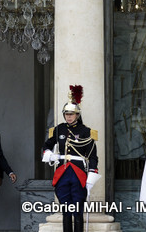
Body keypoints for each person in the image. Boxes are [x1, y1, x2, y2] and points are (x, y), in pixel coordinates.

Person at [41, 85, 99, 232]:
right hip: (62, 173)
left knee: (77, 210)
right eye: (66, 114)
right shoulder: (59, 129)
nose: (68, 116)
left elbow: (92, 156)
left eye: (71, 114)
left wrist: (92, 173)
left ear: (77, 115)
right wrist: (48, 154)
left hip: (78, 173)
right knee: (66, 210)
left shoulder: (86, 132)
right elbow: (46, 145)